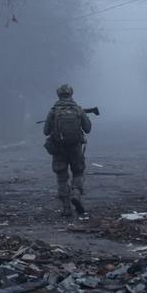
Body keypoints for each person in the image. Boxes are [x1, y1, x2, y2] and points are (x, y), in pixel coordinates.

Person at [43, 83, 92, 219]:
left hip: (59, 149)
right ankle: (76, 193)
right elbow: (88, 128)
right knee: (78, 172)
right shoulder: (78, 110)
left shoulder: (53, 111)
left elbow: (45, 131)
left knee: (62, 178)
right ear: (71, 94)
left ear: (59, 95)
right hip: (75, 148)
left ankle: (66, 208)